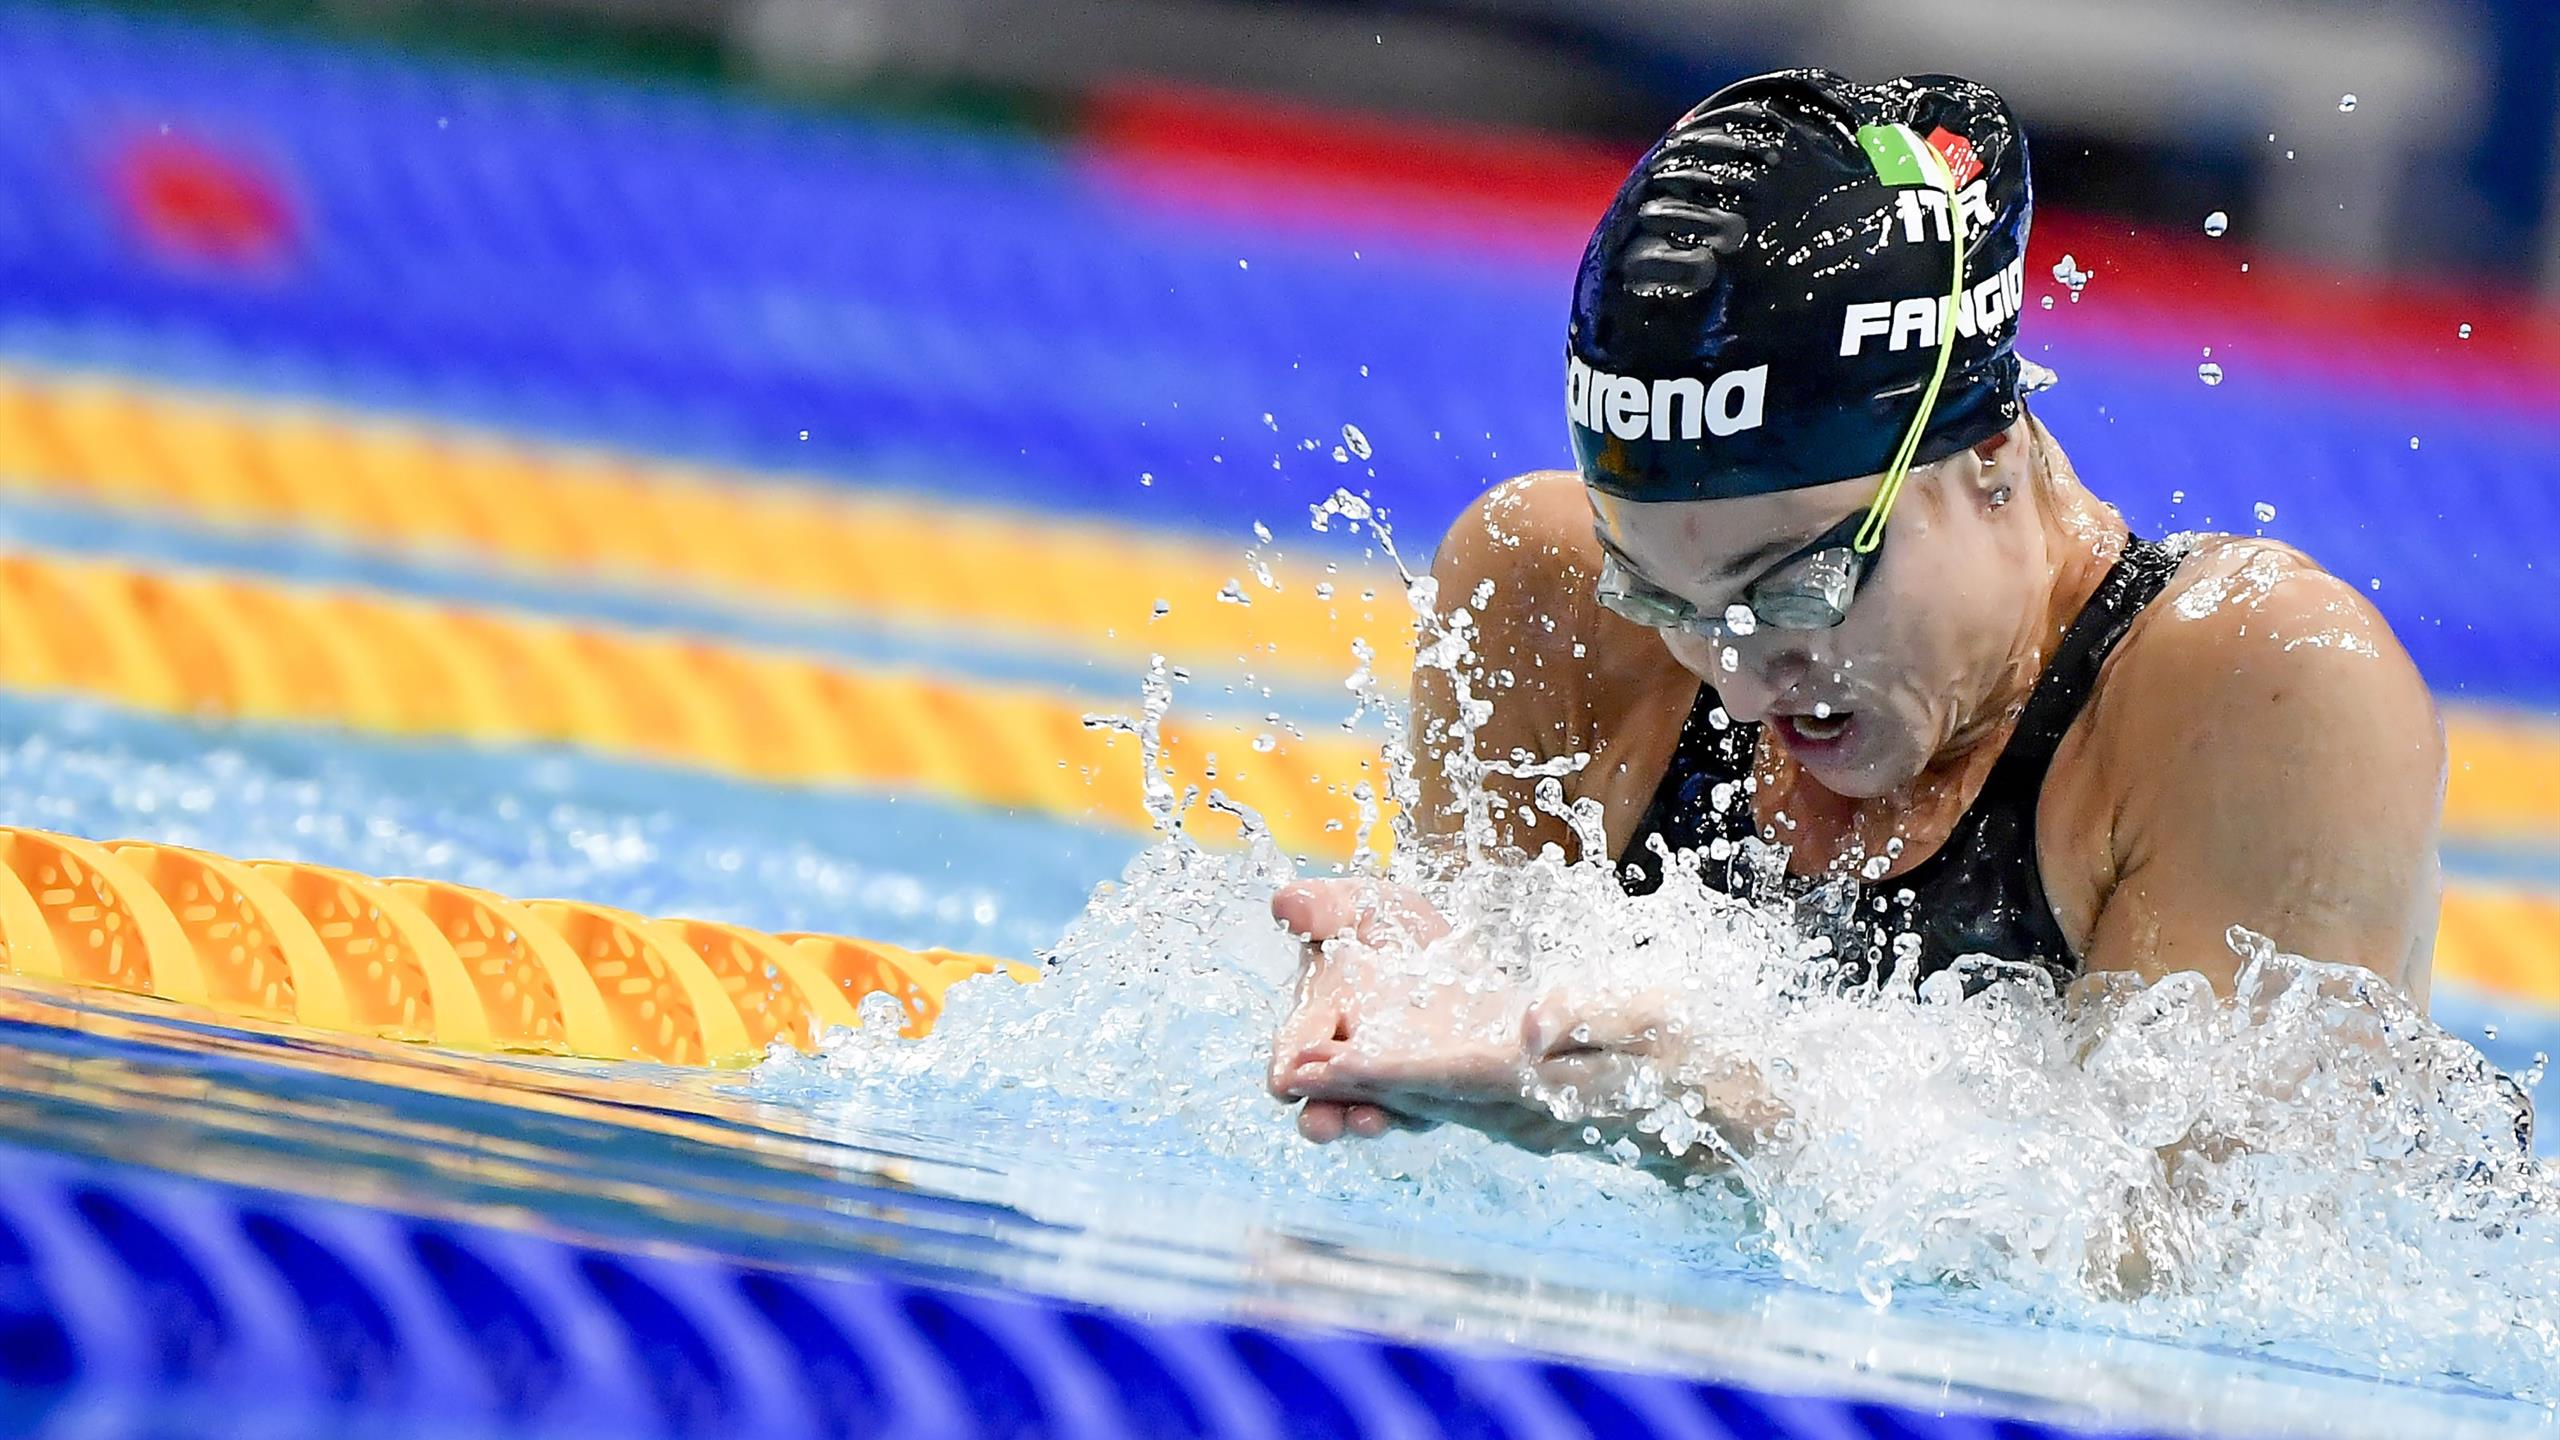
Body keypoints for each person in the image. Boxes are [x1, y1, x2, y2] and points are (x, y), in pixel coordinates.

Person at [1265, 70, 2448, 1162]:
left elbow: (2188, 1272)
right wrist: (1415, 1024)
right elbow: (1481, 1157)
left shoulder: (2257, 692)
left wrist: (1729, 1117)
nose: (1732, 684)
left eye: (1793, 587)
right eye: (1665, 595)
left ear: (1986, 454)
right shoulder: (1550, 597)